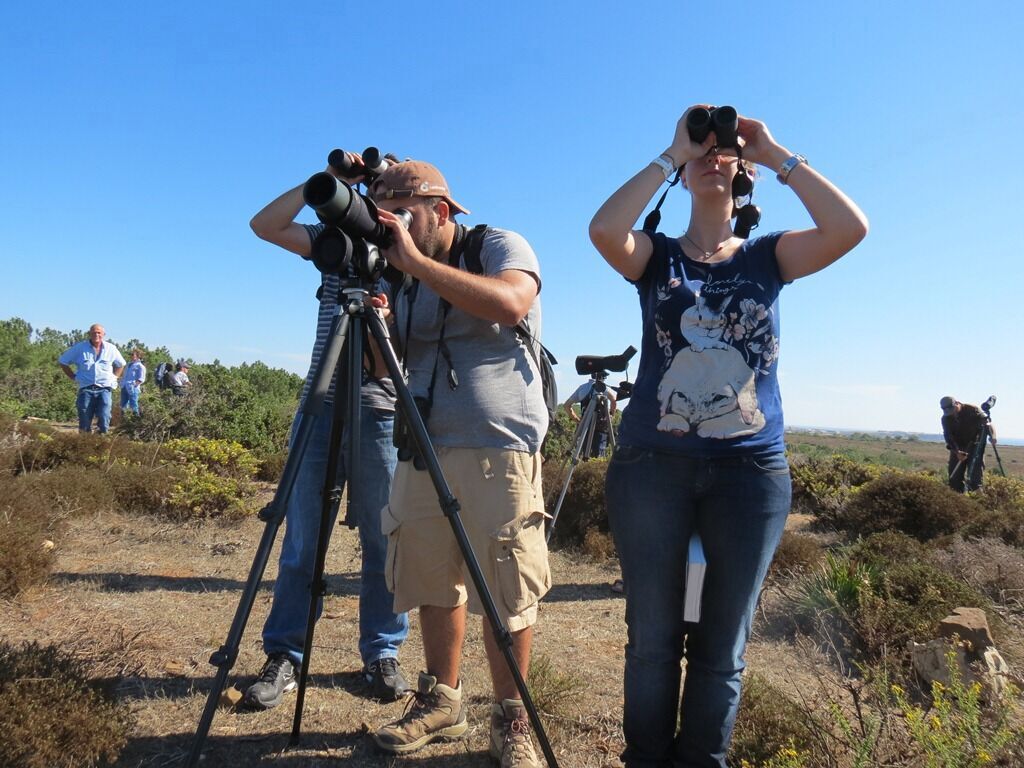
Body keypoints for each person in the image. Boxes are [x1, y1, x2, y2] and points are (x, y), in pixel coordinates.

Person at [589, 104, 868, 767]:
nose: (714, 155)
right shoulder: (654, 257)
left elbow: (850, 227)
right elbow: (604, 229)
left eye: (725, 151)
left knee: (722, 647)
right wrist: (673, 152)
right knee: (652, 638)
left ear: (743, 174)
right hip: (653, 463)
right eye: (702, 153)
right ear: (684, 176)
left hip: (750, 472)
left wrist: (773, 152)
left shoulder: (772, 256)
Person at [366, 160, 550, 768]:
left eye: (405, 214)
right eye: (382, 213)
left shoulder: (498, 244)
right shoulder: (402, 277)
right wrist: (379, 316)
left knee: (505, 586)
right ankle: (443, 699)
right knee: (431, 575)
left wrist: (416, 265)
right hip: (423, 444)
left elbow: (511, 303)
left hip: (499, 445)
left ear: (440, 211)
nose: (392, 226)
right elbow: (381, 367)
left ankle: (512, 718)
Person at [242, 155, 410, 709]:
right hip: (320, 405)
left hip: (381, 409)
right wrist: (333, 185)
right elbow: (264, 226)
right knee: (300, 542)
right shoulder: (334, 244)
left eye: (386, 186)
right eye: (371, 189)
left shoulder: (409, 255)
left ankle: (382, 650)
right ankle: (285, 654)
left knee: (383, 539)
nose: (375, 196)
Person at [58, 324, 126, 433]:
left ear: (103, 334)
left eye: (99, 332)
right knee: (84, 420)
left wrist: (115, 377)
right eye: (94, 332)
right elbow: (63, 361)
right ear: (90, 333)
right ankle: (85, 443)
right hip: (86, 388)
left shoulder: (111, 348)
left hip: (105, 388)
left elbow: (121, 364)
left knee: (105, 416)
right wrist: (72, 376)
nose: (96, 334)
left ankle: (102, 440)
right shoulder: (80, 348)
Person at [940, 395, 995, 492]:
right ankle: (957, 502)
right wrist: (957, 452)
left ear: (957, 403)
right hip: (958, 447)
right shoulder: (946, 419)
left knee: (975, 480)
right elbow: (948, 437)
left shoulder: (973, 409)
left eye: (953, 409)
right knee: (954, 480)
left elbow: (987, 423)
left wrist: (993, 436)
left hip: (975, 446)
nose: (952, 413)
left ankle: (977, 502)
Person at [563, 373, 618, 459]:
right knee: (598, 456)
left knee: (582, 453)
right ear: (602, 378)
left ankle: (583, 469)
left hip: (585, 426)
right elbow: (614, 401)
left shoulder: (582, 388)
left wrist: (577, 420)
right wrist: (611, 415)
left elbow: (566, 405)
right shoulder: (604, 389)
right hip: (600, 429)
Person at [120, 349, 146, 416]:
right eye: (130, 354)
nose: (131, 356)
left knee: (133, 404)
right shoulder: (128, 364)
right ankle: (124, 420)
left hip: (133, 388)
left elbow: (141, 378)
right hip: (124, 386)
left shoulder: (140, 366)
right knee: (123, 404)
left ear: (138, 356)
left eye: (132, 354)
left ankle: (135, 420)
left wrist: (134, 385)